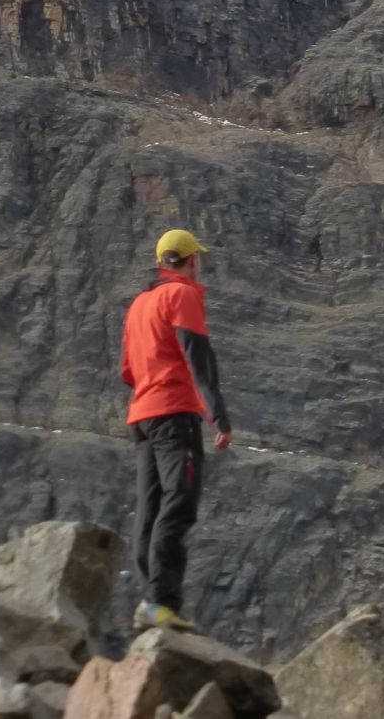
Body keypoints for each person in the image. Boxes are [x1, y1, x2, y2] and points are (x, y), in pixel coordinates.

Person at [119, 228, 233, 632]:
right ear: (191, 260)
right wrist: (217, 415)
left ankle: (149, 602)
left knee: (149, 508)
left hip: (143, 416)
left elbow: (128, 371)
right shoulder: (181, 296)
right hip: (175, 416)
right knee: (179, 502)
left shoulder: (139, 305)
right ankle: (163, 602)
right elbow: (198, 358)